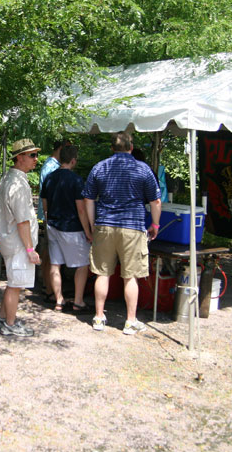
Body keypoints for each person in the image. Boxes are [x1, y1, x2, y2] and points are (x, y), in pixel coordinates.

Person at [82, 132, 162, 335]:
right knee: (131, 276)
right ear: (131, 147)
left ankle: (99, 317)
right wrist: (155, 224)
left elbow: (88, 200)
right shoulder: (142, 169)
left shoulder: (100, 167)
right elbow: (156, 201)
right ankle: (130, 321)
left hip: (105, 226)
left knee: (102, 273)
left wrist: (93, 225)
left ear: (112, 148)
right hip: (132, 227)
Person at [0, 139, 42, 337]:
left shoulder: (9, 178)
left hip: (11, 240)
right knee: (15, 285)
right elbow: (22, 221)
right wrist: (30, 250)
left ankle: (2, 317)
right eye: (32, 155)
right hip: (18, 243)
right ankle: (10, 324)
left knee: (13, 281)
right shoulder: (18, 184)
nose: (36, 159)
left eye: (36, 154)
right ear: (19, 157)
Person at [40, 145, 92, 313]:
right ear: (73, 160)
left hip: (53, 225)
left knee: (55, 264)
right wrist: (88, 231)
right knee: (83, 265)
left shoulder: (49, 178)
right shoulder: (76, 180)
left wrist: (48, 223)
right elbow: (81, 210)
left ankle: (59, 300)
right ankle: (78, 301)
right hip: (71, 227)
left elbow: (45, 204)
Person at [37, 140, 68, 301]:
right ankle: (48, 287)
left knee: (49, 251)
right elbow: (47, 194)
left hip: (50, 214)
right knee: (50, 253)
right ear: (61, 148)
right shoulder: (51, 167)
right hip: (50, 215)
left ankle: (47, 285)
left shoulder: (51, 165)